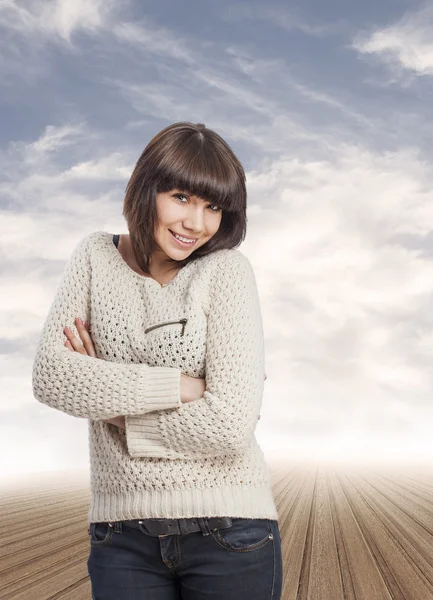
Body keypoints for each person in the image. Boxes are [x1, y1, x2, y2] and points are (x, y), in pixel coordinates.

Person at [31, 121, 283, 599]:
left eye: (214, 207)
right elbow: (52, 376)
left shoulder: (226, 271)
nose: (198, 223)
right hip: (119, 533)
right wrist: (184, 387)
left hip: (229, 530)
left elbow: (230, 422)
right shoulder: (93, 257)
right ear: (146, 189)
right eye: (182, 197)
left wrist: (111, 405)